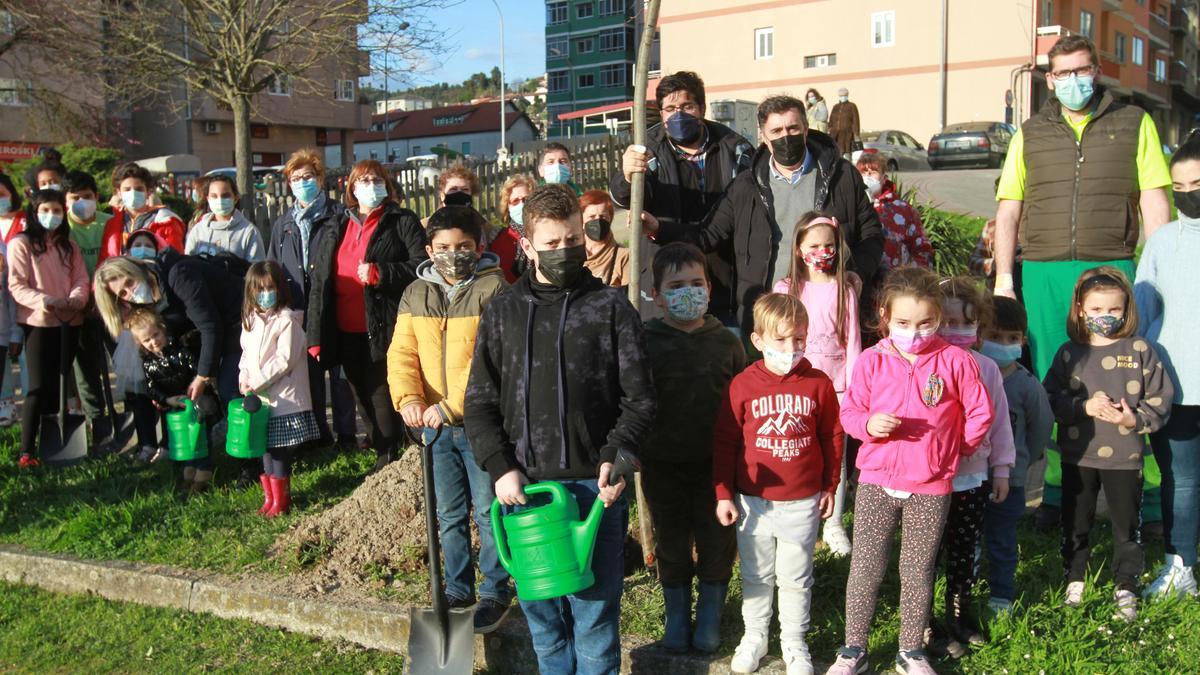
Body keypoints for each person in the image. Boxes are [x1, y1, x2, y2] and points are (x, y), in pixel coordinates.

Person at [465, 184, 655, 675]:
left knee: (595, 628)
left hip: (595, 491)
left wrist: (620, 452)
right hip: (526, 495)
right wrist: (501, 468)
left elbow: (641, 400)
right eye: (551, 244)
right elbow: (479, 405)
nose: (565, 251)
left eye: (572, 240)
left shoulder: (611, 309)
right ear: (525, 245)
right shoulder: (503, 312)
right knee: (546, 631)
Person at [991, 35, 1171, 528]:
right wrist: (1005, 280)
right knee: (1058, 382)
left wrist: (1156, 276)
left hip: (1114, 268)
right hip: (1046, 272)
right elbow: (1010, 209)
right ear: (1050, 80)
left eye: (1082, 70)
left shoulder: (1135, 123)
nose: (1074, 81)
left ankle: (1150, 499)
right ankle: (1057, 494)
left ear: (1098, 69)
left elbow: (1155, 201)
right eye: (1063, 73)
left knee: (1132, 377)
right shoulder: (1030, 132)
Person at [826, 267, 992, 675]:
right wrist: (867, 425)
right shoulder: (870, 360)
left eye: (925, 323)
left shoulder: (956, 361)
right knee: (865, 566)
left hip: (931, 485)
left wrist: (950, 453)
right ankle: (853, 649)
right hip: (877, 480)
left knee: (917, 571)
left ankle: (910, 650)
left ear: (938, 318)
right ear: (884, 314)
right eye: (902, 323)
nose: (914, 332)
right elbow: (849, 411)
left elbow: (979, 414)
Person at [644, 95, 883, 338]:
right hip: (769, 316)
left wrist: (858, 272)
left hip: (830, 314)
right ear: (763, 136)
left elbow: (871, 233)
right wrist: (658, 229)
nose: (785, 137)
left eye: (792, 128)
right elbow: (708, 234)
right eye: (776, 131)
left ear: (805, 129)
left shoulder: (841, 177)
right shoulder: (746, 186)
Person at [387, 205, 512, 634]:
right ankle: (457, 588)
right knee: (449, 513)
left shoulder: (495, 290)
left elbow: (491, 362)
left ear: (479, 247)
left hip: (478, 424)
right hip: (433, 429)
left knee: (487, 509)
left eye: (463, 247)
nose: (453, 255)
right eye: (443, 248)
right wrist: (409, 399)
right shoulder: (415, 294)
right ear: (429, 249)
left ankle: (496, 588)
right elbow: (402, 353)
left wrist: (452, 406)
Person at [713, 293, 842, 675]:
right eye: (781, 339)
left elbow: (832, 436)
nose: (791, 348)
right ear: (758, 341)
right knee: (755, 574)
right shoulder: (743, 384)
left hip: (802, 500)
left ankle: (794, 641)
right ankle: (754, 636)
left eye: (799, 339)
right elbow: (725, 439)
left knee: (797, 577)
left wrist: (830, 485)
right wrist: (723, 493)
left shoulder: (818, 384)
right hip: (753, 501)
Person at [1042, 267, 1172, 621]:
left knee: (1126, 524)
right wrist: (1082, 407)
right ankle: (1075, 577)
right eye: (1097, 310)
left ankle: (1126, 584)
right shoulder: (1070, 353)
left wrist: (1133, 420)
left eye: (1113, 310)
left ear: (1126, 310)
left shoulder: (1141, 350)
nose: (1105, 317)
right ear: (1081, 310)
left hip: (1126, 457)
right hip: (1078, 455)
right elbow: (1050, 397)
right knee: (1075, 519)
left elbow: (1160, 399)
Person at [642, 242, 746, 654]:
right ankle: (676, 616)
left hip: (715, 465)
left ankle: (709, 618)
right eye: (677, 285)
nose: (689, 292)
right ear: (657, 295)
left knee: (717, 538)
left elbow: (741, 403)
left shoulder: (726, 342)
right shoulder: (645, 341)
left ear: (709, 288)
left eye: (697, 283)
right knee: (670, 538)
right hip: (661, 462)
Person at [306, 159, 428, 473]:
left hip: (387, 325)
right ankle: (382, 449)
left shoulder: (401, 220)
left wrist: (380, 273)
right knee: (361, 393)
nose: (370, 185)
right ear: (351, 188)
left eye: (376, 180)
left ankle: (395, 454)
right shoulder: (338, 224)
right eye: (363, 180)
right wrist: (316, 335)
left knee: (383, 393)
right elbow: (321, 283)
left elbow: (421, 267)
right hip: (346, 329)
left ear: (386, 186)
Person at [610, 71, 754, 322]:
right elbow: (624, 197)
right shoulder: (648, 149)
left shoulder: (735, 148)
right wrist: (627, 175)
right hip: (665, 271)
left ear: (702, 107)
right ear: (661, 113)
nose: (679, 114)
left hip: (721, 274)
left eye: (687, 106)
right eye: (670, 108)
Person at [928, 278, 1015, 656]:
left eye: (963, 322)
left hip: (972, 477)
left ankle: (959, 615)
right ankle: (924, 619)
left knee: (963, 551)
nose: (952, 330)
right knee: (926, 553)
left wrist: (1001, 470)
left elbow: (1000, 426)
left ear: (978, 326)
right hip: (927, 481)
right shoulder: (923, 368)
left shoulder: (987, 369)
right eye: (944, 321)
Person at [773, 212, 861, 557]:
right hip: (795, 388)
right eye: (814, 246)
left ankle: (835, 522)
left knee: (834, 459)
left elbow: (853, 344)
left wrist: (854, 392)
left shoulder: (845, 292)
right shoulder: (787, 289)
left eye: (828, 246)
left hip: (836, 391)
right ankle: (799, 515)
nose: (822, 252)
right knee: (796, 453)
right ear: (798, 249)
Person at [1137, 135, 1200, 598]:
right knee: (1180, 478)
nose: (1187, 193)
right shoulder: (1162, 240)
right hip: (1175, 384)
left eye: (1196, 183)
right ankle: (1180, 564)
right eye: (1178, 186)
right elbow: (1142, 306)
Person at [268, 148, 357, 451]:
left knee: (341, 377)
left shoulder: (339, 215)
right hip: (298, 310)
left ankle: (347, 436)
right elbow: (274, 266)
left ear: (320, 178)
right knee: (311, 377)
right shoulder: (284, 224)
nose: (302, 182)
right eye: (295, 178)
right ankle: (320, 435)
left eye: (308, 176)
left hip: (334, 304)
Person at [979, 296, 1052, 614]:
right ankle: (962, 589)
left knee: (1002, 537)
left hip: (1010, 479)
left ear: (1023, 340)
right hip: (969, 475)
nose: (1003, 344)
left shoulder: (1027, 386)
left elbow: (1040, 429)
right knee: (966, 538)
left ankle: (1001, 595)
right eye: (995, 337)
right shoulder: (970, 373)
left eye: (1012, 338)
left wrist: (1020, 463)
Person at [8, 189, 90, 467]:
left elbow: (81, 277)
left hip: (70, 321)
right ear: (34, 212)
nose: (51, 216)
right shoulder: (22, 244)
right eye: (45, 210)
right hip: (39, 322)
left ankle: (54, 444)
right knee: (38, 386)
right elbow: (17, 285)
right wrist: (46, 301)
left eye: (56, 211)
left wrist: (77, 299)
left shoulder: (70, 246)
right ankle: (26, 450)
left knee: (60, 382)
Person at [239, 261, 320, 517]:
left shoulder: (288, 322)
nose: (265, 294)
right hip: (262, 401)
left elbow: (283, 361)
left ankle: (282, 501)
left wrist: (257, 381)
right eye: (259, 289)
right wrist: (244, 378)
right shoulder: (250, 322)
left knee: (279, 452)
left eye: (270, 288)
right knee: (264, 448)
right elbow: (245, 356)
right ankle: (270, 498)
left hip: (284, 400)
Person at [128, 308, 217, 493]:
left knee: (200, 437)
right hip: (176, 407)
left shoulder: (180, 351)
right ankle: (189, 472)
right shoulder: (148, 363)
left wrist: (196, 390)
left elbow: (197, 371)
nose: (153, 342)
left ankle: (204, 473)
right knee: (184, 440)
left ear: (163, 329)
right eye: (147, 340)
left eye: (156, 335)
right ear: (140, 343)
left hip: (196, 402)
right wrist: (168, 399)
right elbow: (151, 388)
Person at [62, 170, 114, 448]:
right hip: (78, 308)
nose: (82, 202)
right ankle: (98, 423)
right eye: (75, 198)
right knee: (86, 371)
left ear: (96, 197)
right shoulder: (61, 229)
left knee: (126, 363)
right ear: (65, 200)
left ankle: (138, 415)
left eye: (87, 196)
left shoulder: (110, 223)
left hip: (114, 307)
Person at [856, 152, 933, 272]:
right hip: (863, 279)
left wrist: (915, 276)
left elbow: (921, 247)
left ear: (884, 179)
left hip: (897, 280)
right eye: (864, 172)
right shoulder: (853, 208)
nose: (868, 176)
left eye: (873, 172)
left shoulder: (903, 210)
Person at [99, 163, 186, 264]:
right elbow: (104, 258)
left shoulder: (166, 221)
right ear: (119, 193)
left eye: (139, 189)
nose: (133, 193)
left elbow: (174, 260)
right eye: (127, 189)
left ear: (148, 192)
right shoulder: (111, 220)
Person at [185, 175, 265, 262]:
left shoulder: (249, 232)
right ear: (208, 199)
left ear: (235, 198)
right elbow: (188, 265)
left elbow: (256, 271)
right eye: (214, 196)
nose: (219, 200)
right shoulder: (198, 230)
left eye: (225, 196)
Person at [0, 173, 26, 424]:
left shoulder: (26, 222)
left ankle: (32, 405)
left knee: (25, 356)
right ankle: (5, 402)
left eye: (1, 194)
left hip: (23, 303)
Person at [579, 190, 630, 288]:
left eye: (603, 216)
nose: (598, 221)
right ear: (581, 220)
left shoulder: (623, 256)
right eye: (592, 217)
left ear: (610, 219)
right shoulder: (573, 255)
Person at [489, 174, 534, 283]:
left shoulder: (546, 235)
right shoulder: (499, 240)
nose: (522, 205)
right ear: (507, 206)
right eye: (515, 201)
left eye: (526, 199)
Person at [423, 164, 481, 229]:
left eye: (465, 189)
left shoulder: (481, 224)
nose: (459, 193)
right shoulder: (426, 226)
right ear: (442, 195)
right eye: (453, 189)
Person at [827, 87, 860, 157]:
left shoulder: (852, 106)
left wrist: (856, 134)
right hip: (835, 135)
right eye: (841, 95)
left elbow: (855, 120)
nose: (842, 97)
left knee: (847, 155)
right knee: (837, 154)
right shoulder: (835, 107)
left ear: (847, 95)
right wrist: (830, 129)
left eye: (844, 95)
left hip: (847, 135)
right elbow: (831, 119)